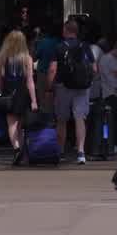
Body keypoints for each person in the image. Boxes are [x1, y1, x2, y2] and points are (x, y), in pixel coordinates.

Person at [46, 19, 97, 165]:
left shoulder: (59, 47)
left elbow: (52, 69)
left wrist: (49, 88)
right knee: (80, 118)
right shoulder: (85, 46)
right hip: (82, 88)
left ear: (65, 30)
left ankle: (61, 151)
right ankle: (81, 152)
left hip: (63, 86)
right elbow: (94, 69)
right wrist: (87, 81)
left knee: (61, 120)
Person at [0, 30, 39, 153]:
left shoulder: (3, 58)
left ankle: (16, 149)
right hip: (22, 93)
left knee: (12, 124)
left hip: (8, 93)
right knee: (20, 125)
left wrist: (1, 92)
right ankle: (21, 151)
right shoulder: (27, 58)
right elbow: (30, 81)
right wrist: (34, 100)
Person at [95, 37, 117, 155]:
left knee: (110, 120)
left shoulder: (103, 58)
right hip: (114, 93)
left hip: (106, 92)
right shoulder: (112, 60)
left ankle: (112, 143)